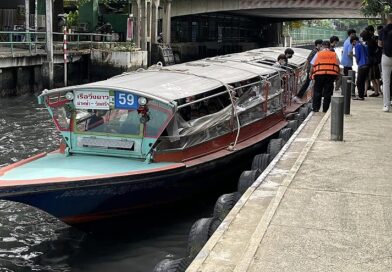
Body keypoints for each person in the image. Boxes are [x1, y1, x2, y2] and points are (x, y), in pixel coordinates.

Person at [310, 40, 340, 112]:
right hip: (330, 76)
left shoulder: (318, 54)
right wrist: (337, 76)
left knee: (317, 92)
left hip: (319, 75)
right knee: (328, 93)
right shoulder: (334, 54)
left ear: (322, 46)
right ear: (329, 46)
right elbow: (338, 65)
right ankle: (325, 109)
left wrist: (311, 74)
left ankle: (316, 108)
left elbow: (312, 66)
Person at [379, 14, 392, 112]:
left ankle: (386, 105)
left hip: (386, 56)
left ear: (388, 19)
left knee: (386, 82)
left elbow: (380, 44)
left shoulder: (383, 30)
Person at [365, 25, 382, 97]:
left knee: (375, 77)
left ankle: (378, 91)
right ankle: (377, 91)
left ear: (370, 31)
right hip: (372, 60)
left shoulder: (373, 39)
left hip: (373, 61)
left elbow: (378, 48)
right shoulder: (370, 39)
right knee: (373, 77)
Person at [353, 31, 370, 100]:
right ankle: (361, 95)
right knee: (363, 80)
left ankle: (360, 96)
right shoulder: (363, 44)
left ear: (354, 41)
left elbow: (358, 56)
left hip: (362, 65)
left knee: (359, 82)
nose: (353, 45)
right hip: (367, 64)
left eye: (352, 43)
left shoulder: (357, 45)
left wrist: (357, 62)